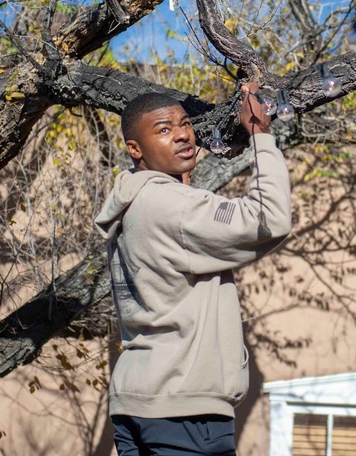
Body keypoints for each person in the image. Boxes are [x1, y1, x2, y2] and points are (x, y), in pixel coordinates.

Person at [94, 83, 292, 456]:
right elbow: (269, 218)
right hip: (183, 410)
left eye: (185, 123)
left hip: (137, 401)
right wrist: (260, 136)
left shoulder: (135, 201)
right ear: (134, 149)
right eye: (163, 129)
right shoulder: (171, 205)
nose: (183, 134)